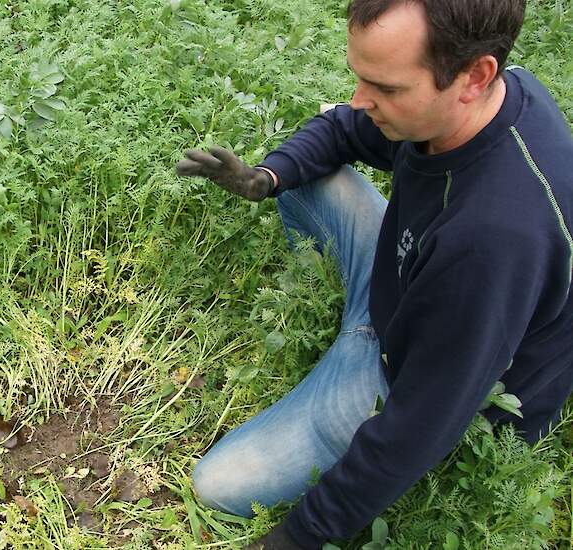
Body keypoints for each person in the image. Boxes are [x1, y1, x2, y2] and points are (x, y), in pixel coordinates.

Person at [175, 1, 573, 548]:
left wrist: (297, 537)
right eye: (361, 77)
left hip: (409, 378)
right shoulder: (487, 100)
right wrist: (267, 177)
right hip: (405, 283)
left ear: (473, 76)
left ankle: (346, 368)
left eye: (386, 88)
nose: (362, 100)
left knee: (218, 484)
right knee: (305, 179)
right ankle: (345, 316)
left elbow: (420, 426)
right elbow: (344, 128)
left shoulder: (492, 239)